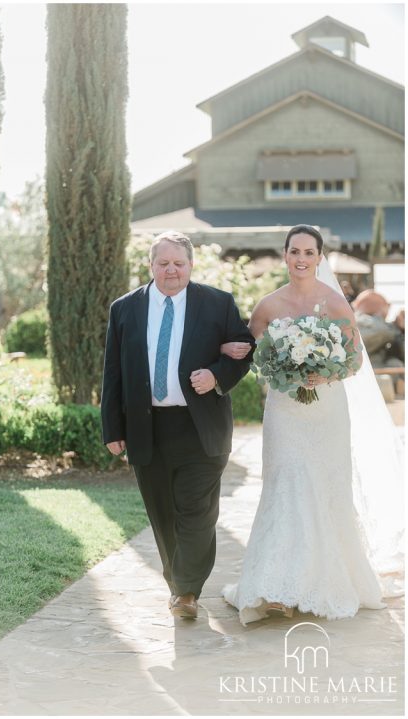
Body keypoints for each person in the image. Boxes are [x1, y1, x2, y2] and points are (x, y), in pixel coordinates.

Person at [221, 224, 393, 623]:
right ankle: (275, 585)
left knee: (324, 488)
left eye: (308, 253)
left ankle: (319, 579)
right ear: (285, 255)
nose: (301, 259)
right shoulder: (267, 305)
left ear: (319, 258)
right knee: (286, 485)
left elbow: (355, 360)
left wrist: (326, 374)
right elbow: (251, 354)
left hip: (327, 412)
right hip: (285, 412)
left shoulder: (334, 303)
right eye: (294, 251)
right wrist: (247, 356)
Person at [101, 231, 254, 619]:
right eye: (164, 263)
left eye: (179, 263)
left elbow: (242, 351)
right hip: (146, 427)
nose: (172, 270)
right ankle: (177, 583)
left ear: (190, 266)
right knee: (162, 513)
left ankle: (187, 592)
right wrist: (112, 429)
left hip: (200, 426)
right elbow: (113, 372)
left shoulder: (218, 304)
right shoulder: (125, 309)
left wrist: (217, 376)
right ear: (151, 266)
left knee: (197, 510)